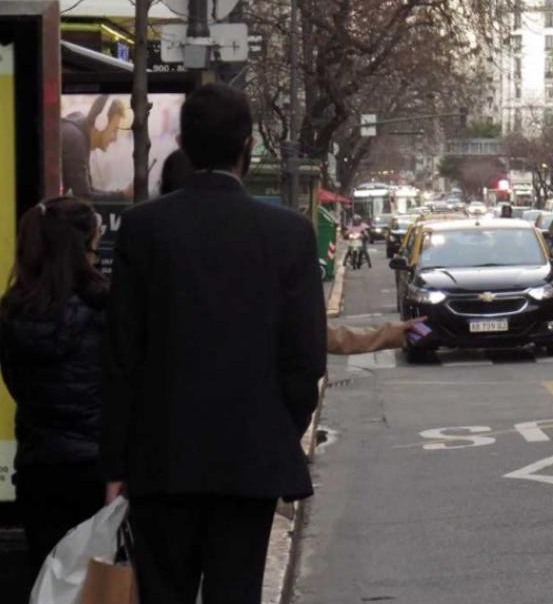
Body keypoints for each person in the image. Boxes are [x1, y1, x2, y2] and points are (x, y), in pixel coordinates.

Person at [103, 84, 327, 604]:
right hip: (249, 460)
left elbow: (121, 356)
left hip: (162, 461)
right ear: (247, 145)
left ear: (182, 141)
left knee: (163, 592)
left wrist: (116, 463)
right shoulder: (290, 235)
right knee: (236, 590)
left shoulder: (142, 229)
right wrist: (275, 427)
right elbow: (305, 359)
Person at [0, 197, 108, 580]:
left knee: (47, 579)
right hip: (98, 468)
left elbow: (15, 383)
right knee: (97, 584)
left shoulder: (13, 312)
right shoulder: (103, 305)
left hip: (38, 465)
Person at [61, 96, 132, 200]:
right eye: (114, 130)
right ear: (101, 122)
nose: (115, 138)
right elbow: (84, 197)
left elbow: (87, 190)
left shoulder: (80, 135)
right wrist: (123, 195)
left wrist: (122, 194)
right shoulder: (75, 140)